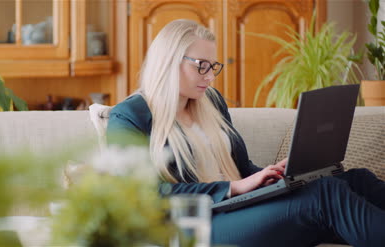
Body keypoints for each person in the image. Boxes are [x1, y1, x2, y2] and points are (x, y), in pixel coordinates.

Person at [106, 19, 385, 247]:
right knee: (325, 194)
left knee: (356, 179)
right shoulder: (129, 117)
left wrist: (268, 176)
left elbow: (241, 168)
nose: (210, 76)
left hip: (234, 209)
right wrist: (233, 188)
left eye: (213, 66)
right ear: (168, 62)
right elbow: (141, 197)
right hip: (193, 225)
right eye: (201, 66)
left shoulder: (211, 102)